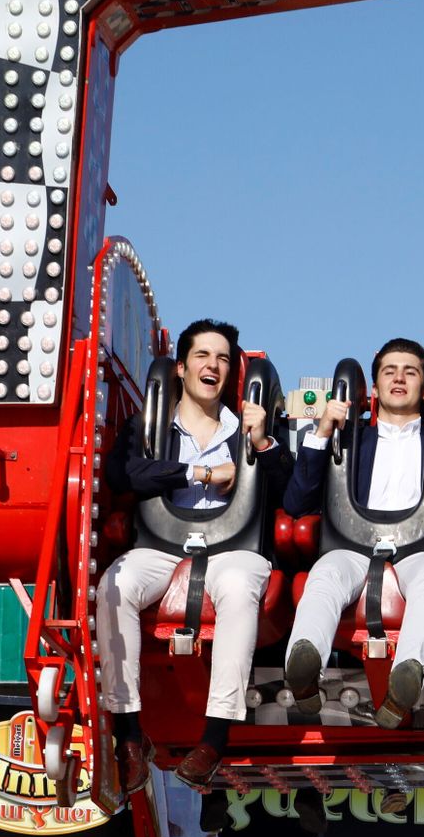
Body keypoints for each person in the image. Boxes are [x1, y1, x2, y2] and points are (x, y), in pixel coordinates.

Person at [97, 319, 293, 795]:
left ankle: (215, 736)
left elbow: (290, 485)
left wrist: (260, 444)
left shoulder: (248, 425)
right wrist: (200, 472)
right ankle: (127, 733)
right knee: (113, 586)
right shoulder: (151, 425)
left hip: (233, 548)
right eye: (203, 356)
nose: (213, 366)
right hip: (162, 547)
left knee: (238, 588)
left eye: (223, 359)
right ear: (182, 368)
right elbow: (126, 475)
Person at [281, 336, 424, 729]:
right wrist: (323, 430)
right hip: (352, 546)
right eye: (389, 372)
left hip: (423, 549)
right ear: (374, 388)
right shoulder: (352, 440)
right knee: (326, 573)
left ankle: (406, 679)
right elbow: (296, 502)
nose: (399, 379)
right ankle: (304, 664)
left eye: (410, 372)